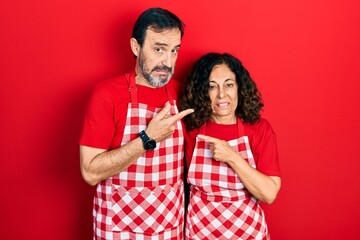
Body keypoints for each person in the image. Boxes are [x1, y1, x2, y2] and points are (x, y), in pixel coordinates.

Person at [79, 8, 193, 239]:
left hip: (168, 230)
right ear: (135, 46)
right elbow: (90, 172)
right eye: (159, 49)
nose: (168, 61)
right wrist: (147, 139)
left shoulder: (183, 94)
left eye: (174, 51)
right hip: (118, 231)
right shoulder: (107, 95)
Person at [180, 53, 281, 239]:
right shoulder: (190, 130)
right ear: (202, 91)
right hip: (201, 233)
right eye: (212, 87)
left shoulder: (259, 129)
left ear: (239, 88)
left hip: (247, 232)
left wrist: (232, 157)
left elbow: (268, 194)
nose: (221, 94)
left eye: (229, 85)